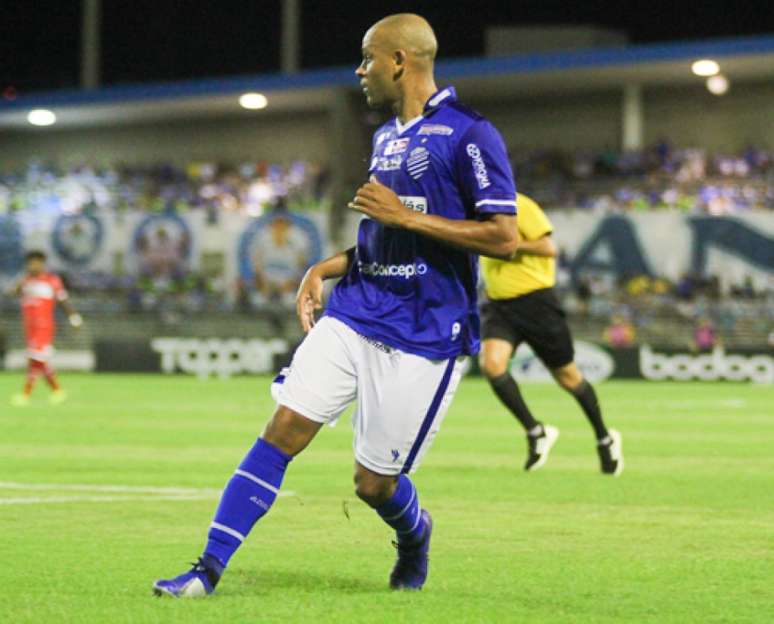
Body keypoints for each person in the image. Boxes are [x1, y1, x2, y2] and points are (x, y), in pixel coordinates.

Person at [153, 13, 518, 597]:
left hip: (424, 332)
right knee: (283, 428)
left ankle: (415, 533)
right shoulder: (385, 137)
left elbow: (504, 237)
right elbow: (384, 238)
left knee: (373, 484)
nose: (360, 69)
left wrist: (405, 215)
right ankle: (206, 570)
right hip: (355, 311)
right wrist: (321, 268)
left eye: (368, 57)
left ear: (399, 60)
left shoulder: (472, 133)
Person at [478, 193, 623, 474]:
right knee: (491, 365)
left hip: (536, 303)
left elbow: (548, 247)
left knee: (568, 378)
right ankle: (535, 431)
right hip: (498, 305)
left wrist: (509, 244)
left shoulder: (520, 205)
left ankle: (604, 438)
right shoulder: (476, 212)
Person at [10, 250, 82, 406]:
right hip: (29, 327)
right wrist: (18, 285)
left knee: (35, 360)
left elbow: (63, 300)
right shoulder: (26, 281)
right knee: (39, 361)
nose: (33, 265)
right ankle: (57, 391)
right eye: (30, 262)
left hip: (43, 326)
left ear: (42, 264)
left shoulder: (51, 280)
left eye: (36, 262)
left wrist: (74, 317)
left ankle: (26, 394)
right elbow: (11, 293)